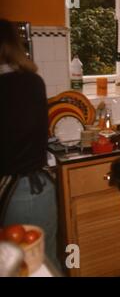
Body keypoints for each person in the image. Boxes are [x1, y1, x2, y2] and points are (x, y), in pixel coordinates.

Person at [0, 19, 60, 268]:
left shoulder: (13, 86)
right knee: (40, 263)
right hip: (35, 188)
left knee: (30, 265)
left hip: (21, 191)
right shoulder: (32, 82)